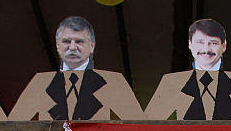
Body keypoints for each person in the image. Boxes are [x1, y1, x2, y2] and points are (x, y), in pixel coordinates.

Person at [8, 16, 144, 121]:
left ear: (92, 46)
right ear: (57, 46)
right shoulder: (40, 82)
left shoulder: (113, 82)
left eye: (79, 41)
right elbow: (10, 128)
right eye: (66, 41)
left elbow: (140, 129)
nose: (72, 47)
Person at [145, 19, 231, 121]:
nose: (206, 49)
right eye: (200, 42)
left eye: (213, 43)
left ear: (223, 46)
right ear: (190, 44)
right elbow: (145, 129)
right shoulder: (172, 82)